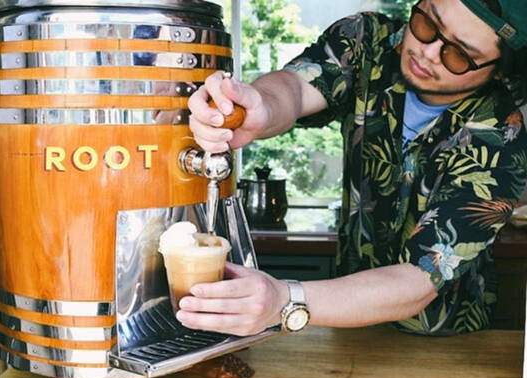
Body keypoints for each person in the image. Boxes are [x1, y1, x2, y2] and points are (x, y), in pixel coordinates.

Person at [177, 0, 527, 337]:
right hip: (345, 323)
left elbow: (418, 280)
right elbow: (297, 87)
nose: (428, 52)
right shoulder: (367, 40)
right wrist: (261, 108)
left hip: (446, 343)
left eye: (459, 55)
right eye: (427, 24)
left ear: (498, 70)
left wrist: (284, 299)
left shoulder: (502, 137)